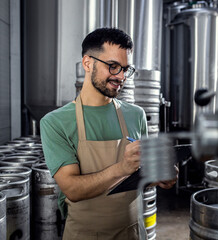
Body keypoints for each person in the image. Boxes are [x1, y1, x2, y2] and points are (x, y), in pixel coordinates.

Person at [40, 28, 176, 240]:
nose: (121, 76)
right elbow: (73, 190)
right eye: (113, 66)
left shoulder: (136, 115)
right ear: (87, 63)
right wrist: (122, 167)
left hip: (133, 231)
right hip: (84, 234)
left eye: (125, 69)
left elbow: (137, 175)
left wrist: (158, 177)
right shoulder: (56, 122)